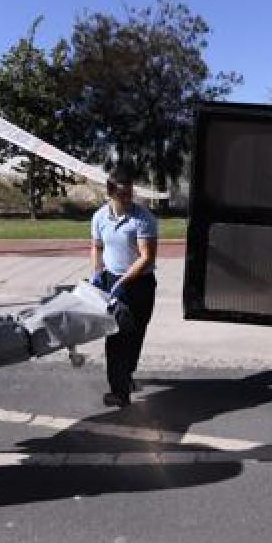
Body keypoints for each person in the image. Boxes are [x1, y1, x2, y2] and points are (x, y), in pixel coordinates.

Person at [90, 162, 158, 408]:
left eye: (130, 192)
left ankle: (125, 377)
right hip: (111, 280)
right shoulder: (99, 217)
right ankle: (119, 390)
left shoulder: (143, 218)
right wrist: (97, 273)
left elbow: (147, 257)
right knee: (115, 337)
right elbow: (97, 247)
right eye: (122, 193)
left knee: (134, 336)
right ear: (110, 192)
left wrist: (123, 282)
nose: (127, 198)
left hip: (139, 284)